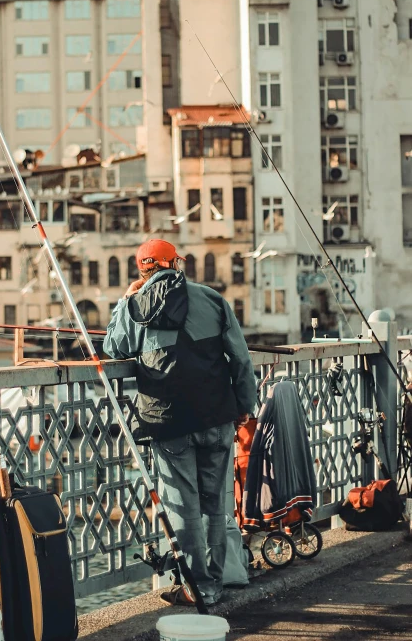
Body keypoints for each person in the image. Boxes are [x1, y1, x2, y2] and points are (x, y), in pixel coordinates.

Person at [103, 238, 257, 607]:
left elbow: (114, 348)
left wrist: (125, 300)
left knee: (182, 506)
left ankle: (198, 586)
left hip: (167, 420)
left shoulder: (135, 305)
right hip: (216, 416)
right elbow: (239, 357)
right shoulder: (211, 298)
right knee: (213, 505)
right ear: (176, 263)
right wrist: (245, 405)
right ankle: (214, 581)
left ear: (142, 269)